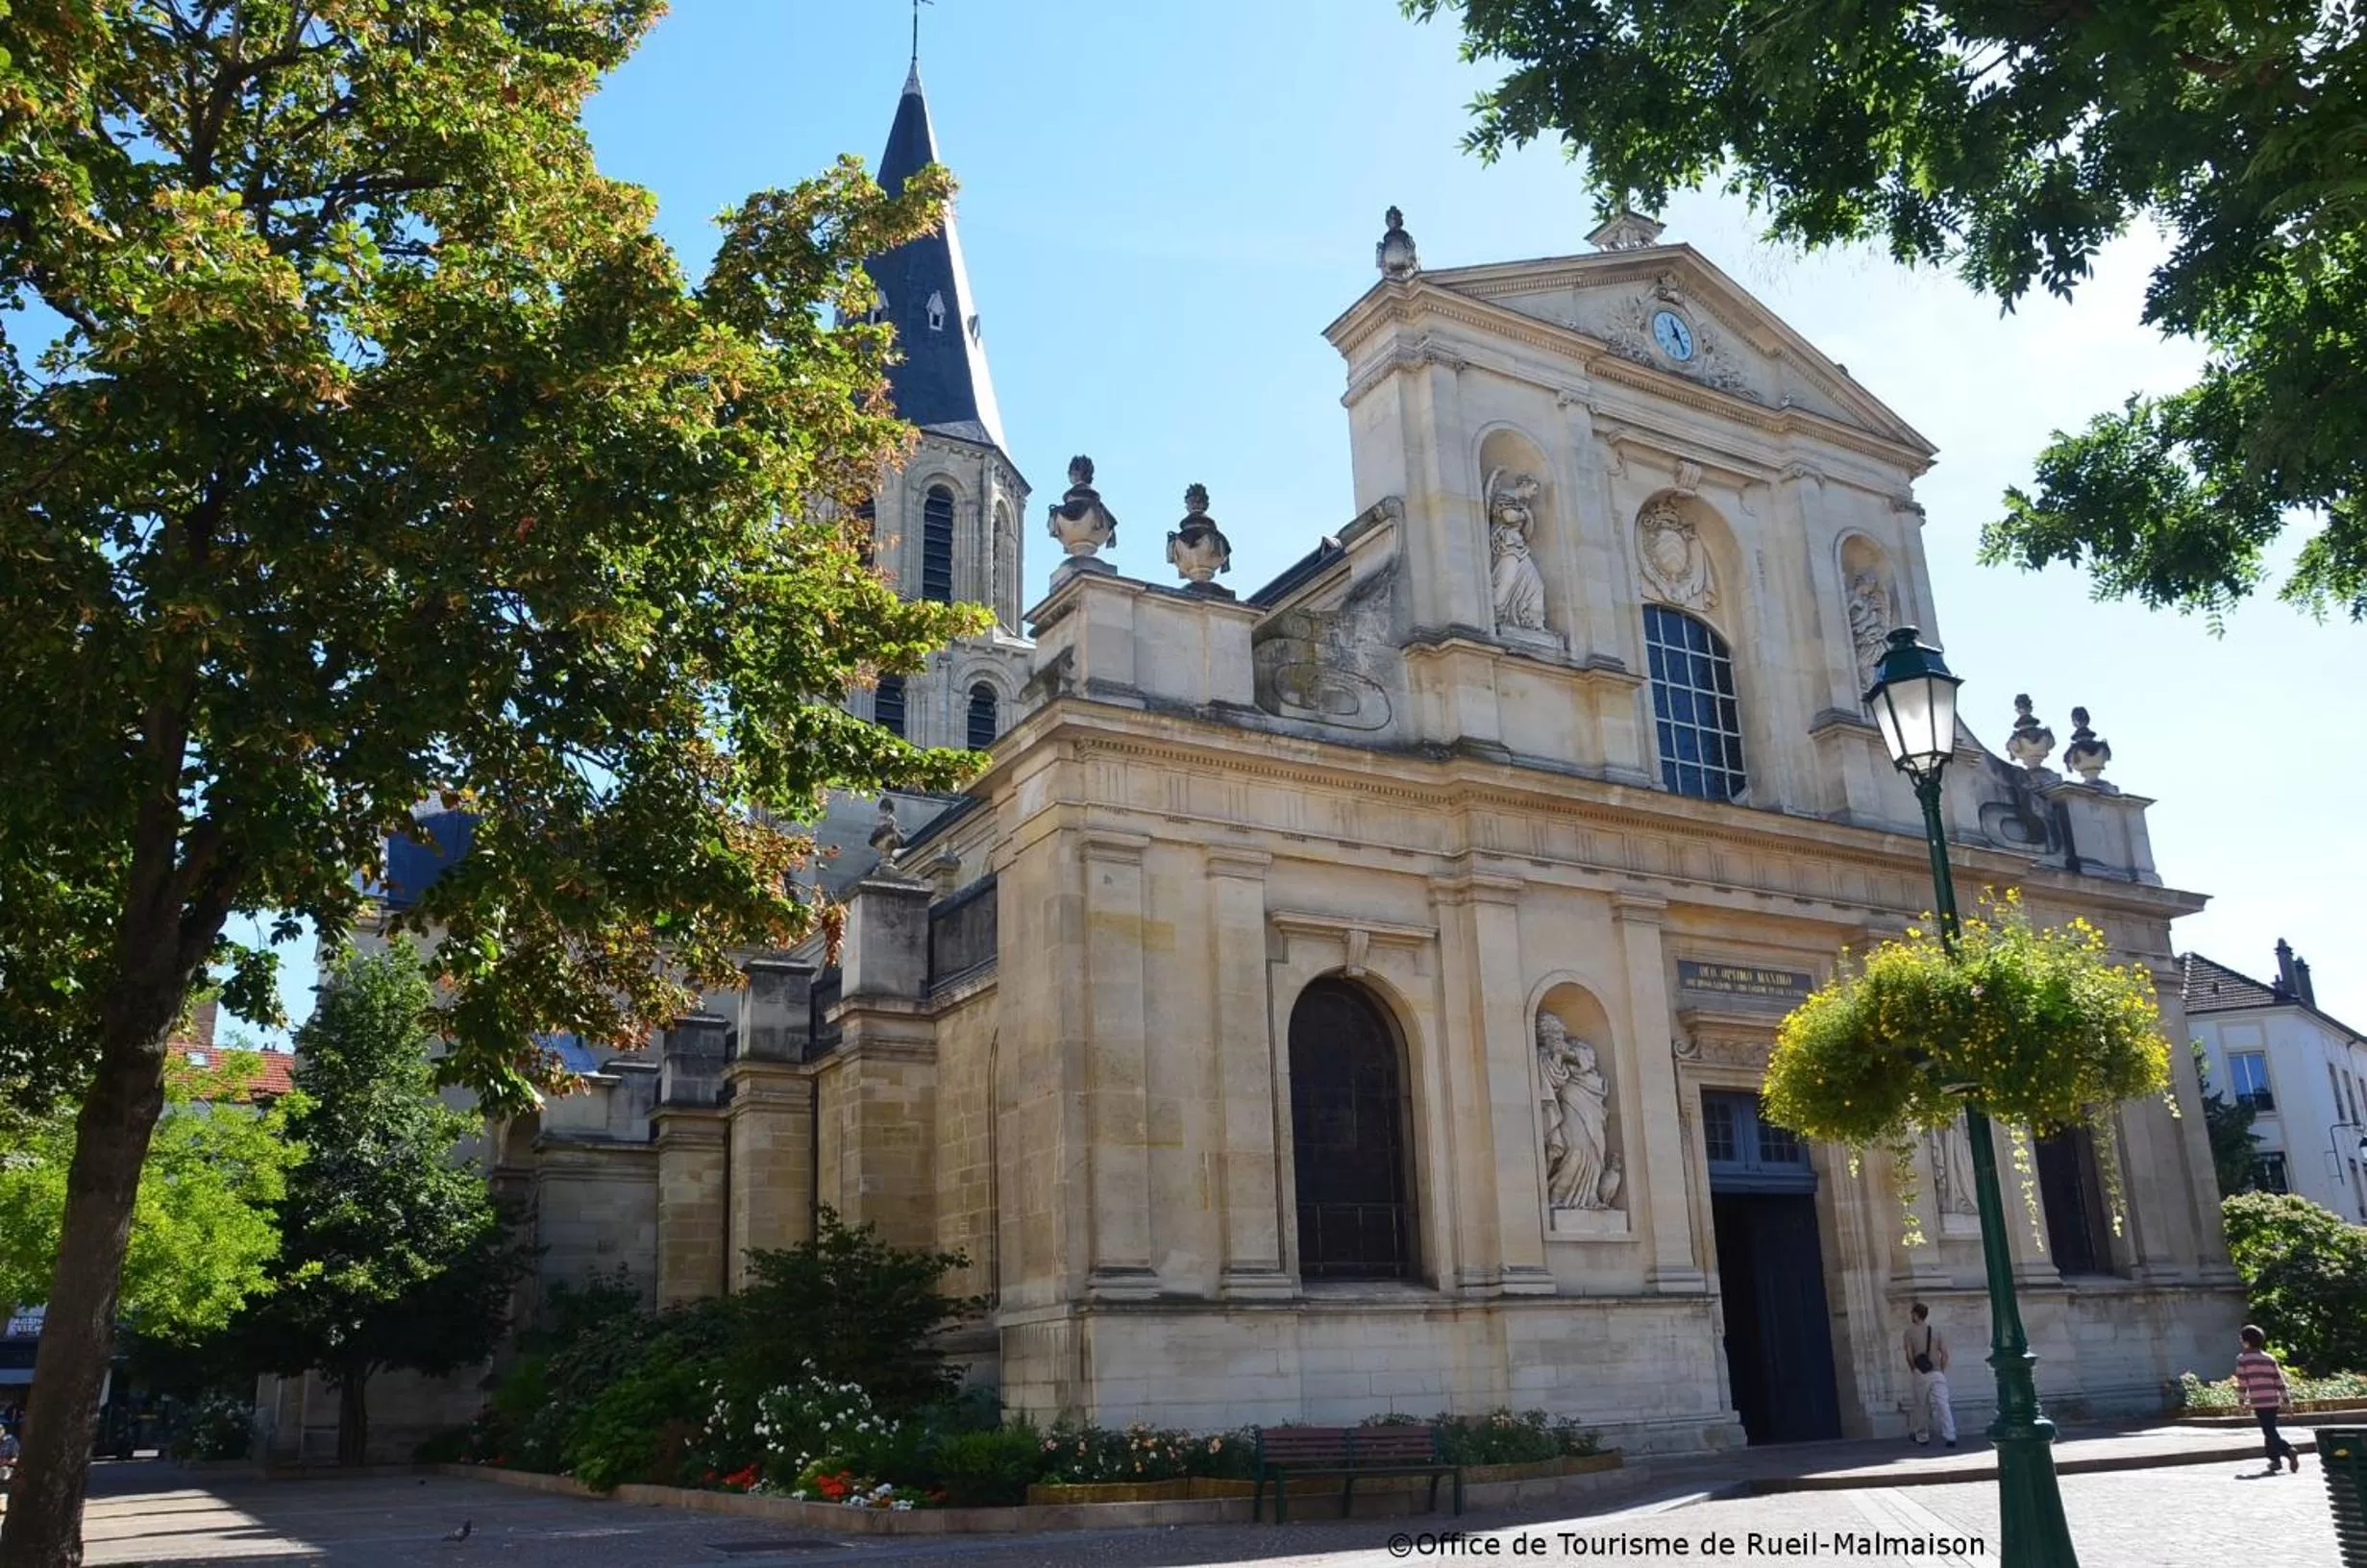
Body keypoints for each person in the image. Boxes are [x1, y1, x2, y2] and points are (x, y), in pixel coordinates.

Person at [2235, 1325, 2302, 1474]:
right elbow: (2280, 1381)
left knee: (2269, 1431)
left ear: (2246, 1342)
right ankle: (2275, 1460)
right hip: (2273, 1400)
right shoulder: (2269, 1358)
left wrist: (2241, 1402)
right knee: (2269, 1429)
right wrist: (2287, 1402)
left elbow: (2242, 1384)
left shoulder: (2243, 1359)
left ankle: (2288, 1450)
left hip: (2259, 1401)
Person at [1903, 1301, 1957, 1448]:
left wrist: (1914, 1369)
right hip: (1937, 1371)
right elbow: (1945, 1354)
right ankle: (1950, 1434)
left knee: (1921, 1405)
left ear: (1915, 1315)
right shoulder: (1936, 1331)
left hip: (1920, 1372)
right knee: (1943, 1404)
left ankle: (1922, 1436)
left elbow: (1909, 1355)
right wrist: (1941, 1370)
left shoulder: (1910, 1332)